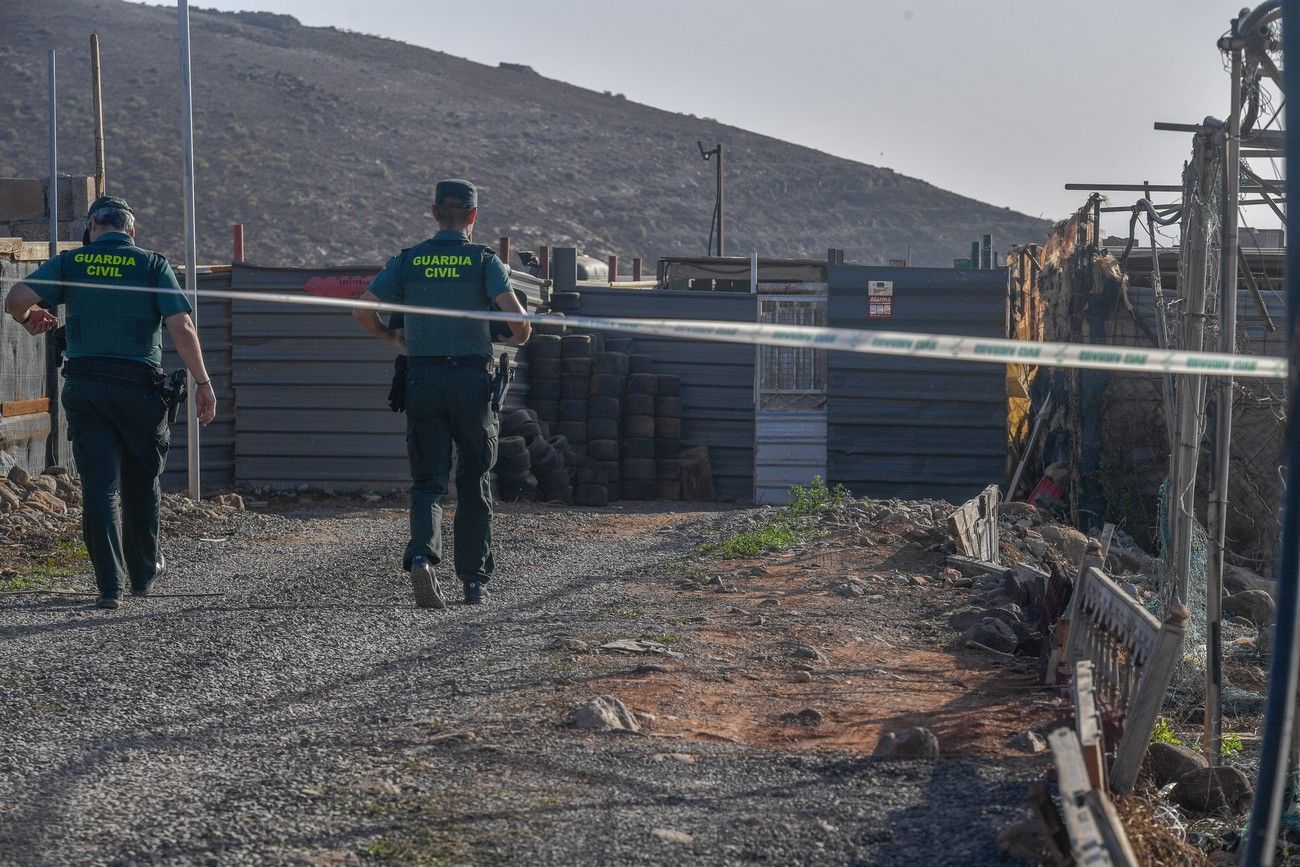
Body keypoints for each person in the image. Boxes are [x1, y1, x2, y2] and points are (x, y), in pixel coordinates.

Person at [3, 195, 217, 610]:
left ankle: (108, 587)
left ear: (92, 228)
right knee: (142, 483)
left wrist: (29, 319)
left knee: (100, 488)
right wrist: (204, 382)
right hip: (141, 390)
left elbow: (15, 298)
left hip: (87, 390)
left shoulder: (72, 263)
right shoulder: (152, 264)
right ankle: (142, 573)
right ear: (131, 232)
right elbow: (182, 326)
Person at [353, 179, 530, 608]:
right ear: (472, 216)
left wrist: (395, 341)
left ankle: (421, 558)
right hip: (471, 383)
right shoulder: (484, 261)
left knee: (428, 481)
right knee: (473, 480)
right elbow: (519, 323)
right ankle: (472, 580)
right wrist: (518, 337)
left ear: (434, 213)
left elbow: (362, 309)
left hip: (423, 381)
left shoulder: (409, 260)